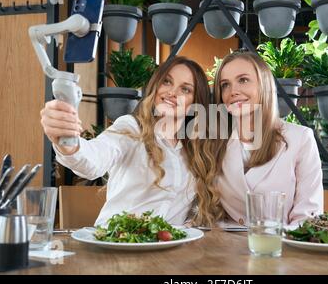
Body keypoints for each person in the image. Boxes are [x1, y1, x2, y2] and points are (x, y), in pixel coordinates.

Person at [40, 56, 223, 227]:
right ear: (156, 86)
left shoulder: (194, 149)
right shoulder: (131, 128)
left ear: (195, 102)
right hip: (116, 247)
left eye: (185, 89)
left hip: (166, 254)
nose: (172, 92)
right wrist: (68, 141)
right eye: (167, 81)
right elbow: (93, 160)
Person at [209, 50, 323, 227]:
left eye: (243, 80)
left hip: (282, 247)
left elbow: (307, 218)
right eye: (225, 85)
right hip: (227, 247)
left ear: (264, 85)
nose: (233, 91)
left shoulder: (300, 139)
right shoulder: (214, 142)